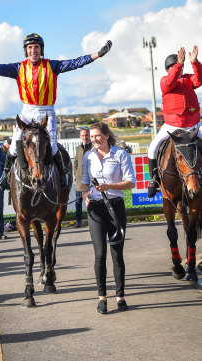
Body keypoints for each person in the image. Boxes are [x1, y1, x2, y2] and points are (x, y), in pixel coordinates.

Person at [0, 34, 112, 189]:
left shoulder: (52, 65)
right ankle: (5, 175)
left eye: (36, 47)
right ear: (26, 50)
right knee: (13, 147)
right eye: (30, 47)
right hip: (27, 111)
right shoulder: (18, 67)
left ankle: (62, 175)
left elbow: (75, 63)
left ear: (41, 49)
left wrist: (97, 54)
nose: (33, 50)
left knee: (52, 147)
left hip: (47, 111)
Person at [80, 122, 136, 314]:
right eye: (92, 136)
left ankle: (120, 297)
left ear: (106, 135)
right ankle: (102, 297)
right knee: (100, 254)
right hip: (95, 209)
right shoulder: (88, 156)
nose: (94, 139)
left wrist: (109, 186)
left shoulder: (121, 154)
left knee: (117, 254)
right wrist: (85, 195)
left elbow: (130, 183)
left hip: (115, 207)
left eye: (98, 136)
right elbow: (84, 183)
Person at [147, 45, 202, 198]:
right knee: (153, 147)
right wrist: (179, 64)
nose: (176, 69)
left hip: (194, 125)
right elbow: (172, 79)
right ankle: (154, 180)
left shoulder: (188, 79)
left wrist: (195, 62)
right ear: (167, 69)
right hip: (172, 126)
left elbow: (199, 80)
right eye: (172, 67)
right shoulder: (165, 81)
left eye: (177, 66)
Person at [74, 127, 92, 228]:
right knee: (78, 202)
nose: (85, 137)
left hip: (90, 180)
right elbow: (75, 161)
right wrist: (75, 173)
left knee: (90, 201)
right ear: (80, 136)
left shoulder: (93, 147)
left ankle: (92, 221)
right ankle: (78, 221)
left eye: (86, 135)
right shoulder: (78, 148)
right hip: (79, 180)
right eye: (83, 135)